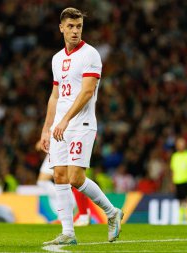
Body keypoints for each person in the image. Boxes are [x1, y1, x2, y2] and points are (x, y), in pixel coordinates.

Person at [36, 7, 123, 246]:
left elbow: (87, 92)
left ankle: (111, 211)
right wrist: (46, 128)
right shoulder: (56, 58)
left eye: (79, 26)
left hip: (81, 123)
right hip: (59, 127)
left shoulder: (90, 54)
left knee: (75, 177)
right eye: (71, 26)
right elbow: (54, 96)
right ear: (61, 28)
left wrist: (64, 121)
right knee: (59, 176)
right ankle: (68, 232)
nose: (75, 31)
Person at [36, 153, 92, 226]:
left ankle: (75, 213)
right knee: (44, 181)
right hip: (55, 147)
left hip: (64, 147)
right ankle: (69, 212)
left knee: (72, 178)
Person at [169, 137, 187, 224]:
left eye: (182, 144)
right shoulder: (175, 156)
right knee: (180, 201)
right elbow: (173, 171)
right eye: (179, 144)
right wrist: (172, 183)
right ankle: (180, 220)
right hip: (177, 182)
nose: (180, 146)